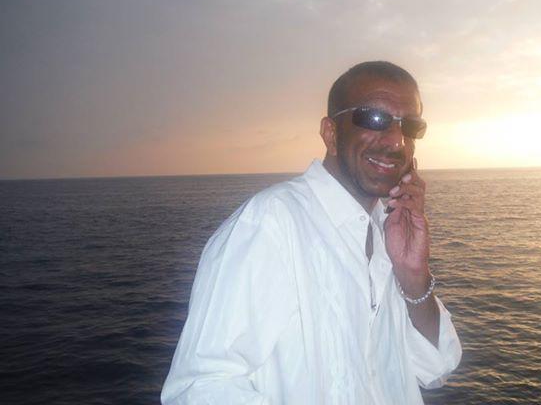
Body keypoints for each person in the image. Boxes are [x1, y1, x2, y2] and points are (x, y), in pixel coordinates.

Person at [161, 61, 462, 404]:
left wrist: (414, 276)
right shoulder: (271, 224)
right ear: (331, 134)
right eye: (374, 119)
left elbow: (435, 368)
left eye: (410, 126)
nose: (397, 141)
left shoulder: (389, 230)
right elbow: (200, 387)